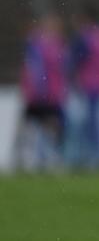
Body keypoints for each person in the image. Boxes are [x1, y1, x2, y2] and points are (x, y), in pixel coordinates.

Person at [16, 12, 68, 171]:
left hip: (52, 94)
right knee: (30, 127)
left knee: (51, 127)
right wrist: (29, 88)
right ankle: (27, 158)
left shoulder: (57, 45)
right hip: (38, 94)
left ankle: (50, 158)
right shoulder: (36, 45)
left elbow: (62, 70)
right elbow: (31, 70)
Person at [70, 5, 99, 169]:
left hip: (88, 84)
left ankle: (91, 155)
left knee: (89, 121)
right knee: (95, 120)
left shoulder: (86, 38)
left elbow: (75, 60)